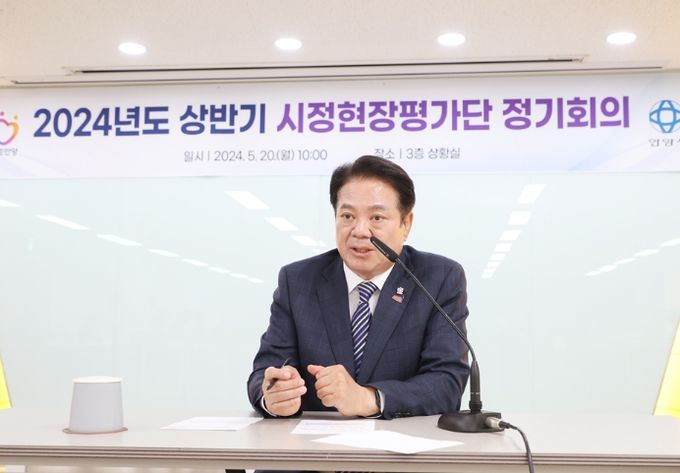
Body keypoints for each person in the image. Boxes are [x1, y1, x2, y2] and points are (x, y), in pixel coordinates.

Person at [247, 155, 470, 420]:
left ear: (406, 224)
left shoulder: (438, 278)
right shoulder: (298, 280)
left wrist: (370, 398)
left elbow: (447, 382)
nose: (360, 231)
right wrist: (273, 395)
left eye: (376, 217)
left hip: (400, 442)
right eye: (348, 216)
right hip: (310, 444)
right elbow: (265, 372)